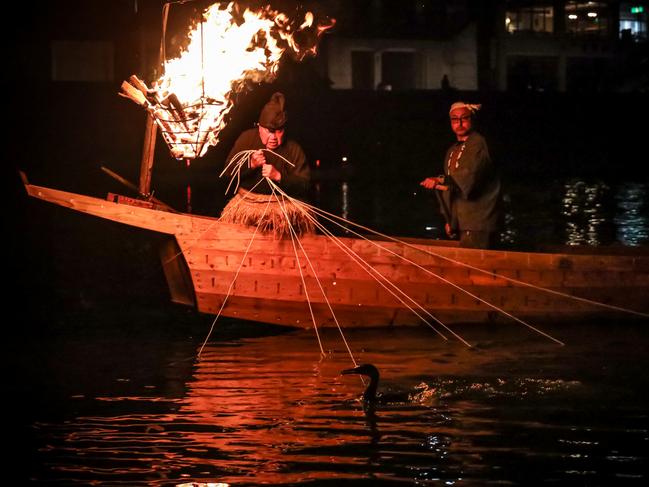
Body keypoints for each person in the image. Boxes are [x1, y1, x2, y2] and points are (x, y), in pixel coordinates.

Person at [219, 92, 313, 236]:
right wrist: (250, 164)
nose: (274, 137)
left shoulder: (293, 148)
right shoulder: (246, 139)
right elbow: (227, 174)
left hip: (282, 212)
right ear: (260, 128)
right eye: (269, 131)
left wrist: (279, 176)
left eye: (279, 131)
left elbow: (305, 184)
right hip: (248, 207)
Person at [420, 102, 502, 249]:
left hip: (479, 221)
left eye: (464, 118)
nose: (459, 123)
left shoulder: (478, 143)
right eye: (455, 119)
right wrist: (450, 220)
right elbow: (451, 190)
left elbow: (468, 178)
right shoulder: (452, 151)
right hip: (464, 222)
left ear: (472, 119)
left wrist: (439, 180)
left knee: (477, 267)